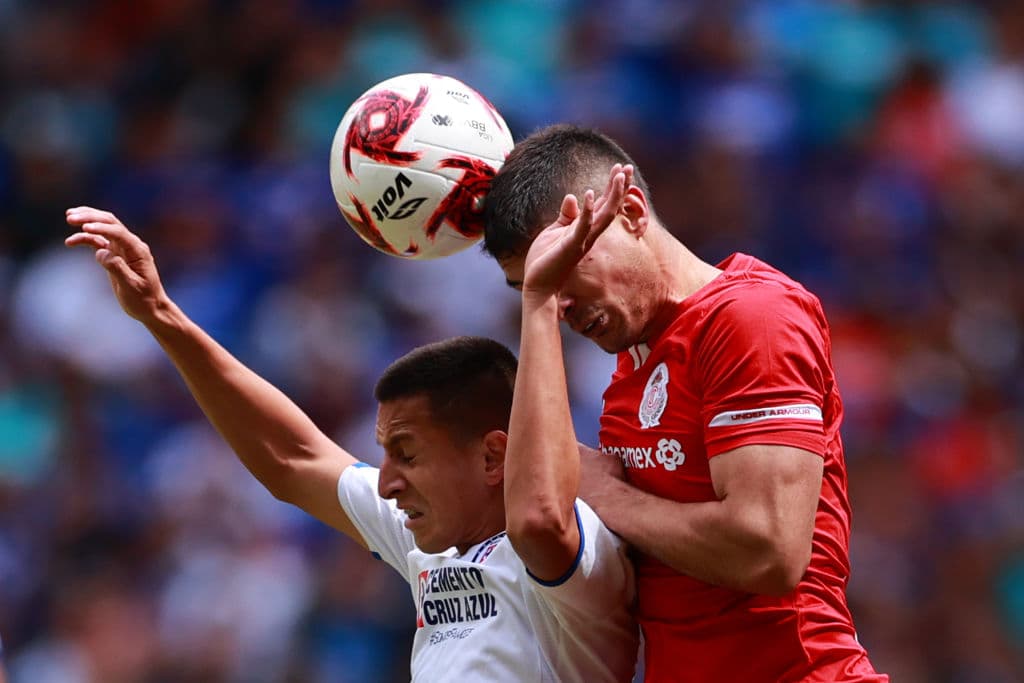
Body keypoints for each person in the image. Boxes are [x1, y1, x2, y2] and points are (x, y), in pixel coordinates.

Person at [64, 207, 639, 682]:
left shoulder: (573, 553)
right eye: (385, 454)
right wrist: (163, 317)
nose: (386, 482)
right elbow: (293, 458)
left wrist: (538, 303)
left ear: (492, 456)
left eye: (407, 455)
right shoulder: (432, 542)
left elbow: (539, 518)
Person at [483, 124, 888, 682]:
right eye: (537, 285)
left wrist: (604, 493)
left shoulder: (751, 319)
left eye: (565, 266)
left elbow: (769, 550)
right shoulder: (631, 366)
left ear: (630, 212)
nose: (562, 306)